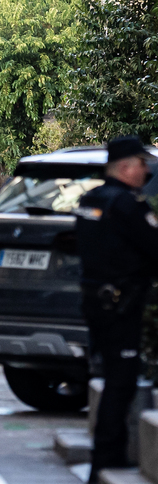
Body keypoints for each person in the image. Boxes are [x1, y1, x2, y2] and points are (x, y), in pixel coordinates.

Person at [75, 136, 158, 483]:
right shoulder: (126, 205)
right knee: (120, 382)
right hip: (121, 305)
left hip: (95, 300)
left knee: (109, 376)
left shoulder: (90, 200)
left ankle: (107, 454)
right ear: (125, 167)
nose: (146, 170)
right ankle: (106, 458)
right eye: (141, 163)